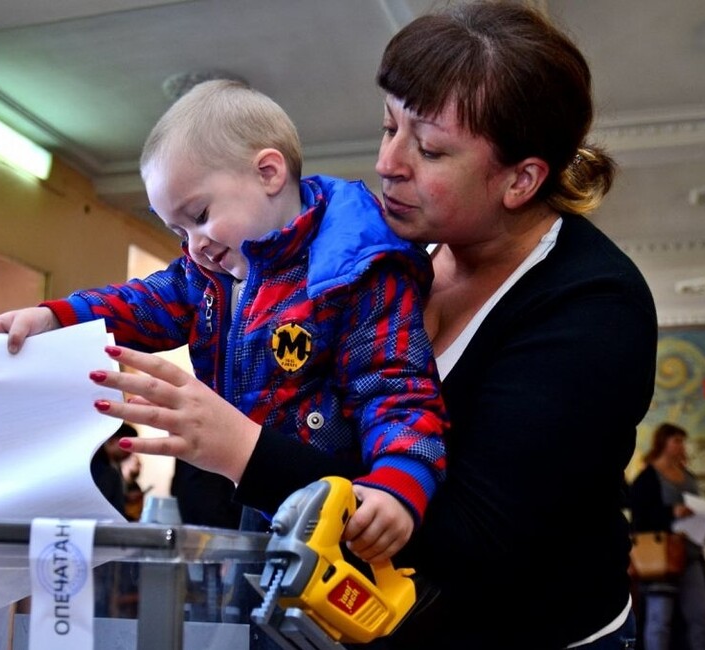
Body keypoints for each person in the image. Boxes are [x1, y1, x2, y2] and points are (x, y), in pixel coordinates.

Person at [80, 4, 658, 648]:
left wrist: (244, 450)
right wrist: (58, 320)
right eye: (390, 127)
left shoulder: (593, 307)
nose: (389, 163)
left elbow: (476, 538)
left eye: (431, 149)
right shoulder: (380, 255)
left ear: (521, 179)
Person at [0, 79, 448, 562]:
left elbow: (396, 389)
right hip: (256, 508)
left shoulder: (356, 273)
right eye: (177, 230)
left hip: (342, 515)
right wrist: (54, 317)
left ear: (269, 173)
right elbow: (141, 303)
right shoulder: (208, 275)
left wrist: (398, 483)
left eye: (200, 214)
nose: (194, 243)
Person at [630, 423, 705, 650]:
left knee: (702, 617)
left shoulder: (688, 477)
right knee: (660, 621)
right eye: (676, 440)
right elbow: (639, 516)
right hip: (662, 557)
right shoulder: (648, 478)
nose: (681, 446)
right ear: (663, 443)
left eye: (682, 441)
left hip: (690, 554)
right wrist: (670, 512)